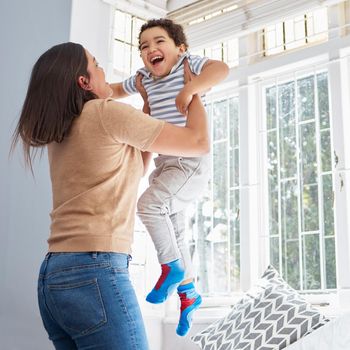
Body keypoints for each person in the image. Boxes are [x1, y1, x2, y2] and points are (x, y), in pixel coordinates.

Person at [11, 42, 209, 350]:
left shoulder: (61, 130)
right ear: (84, 82)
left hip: (53, 278)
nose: (104, 71)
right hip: (94, 270)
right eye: (96, 64)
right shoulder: (105, 113)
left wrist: (147, 103)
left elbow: (135, 166)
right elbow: (197, 142)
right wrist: (192, 89)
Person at [111, 18, 229, 336]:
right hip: (166, 163)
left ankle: (171, 267)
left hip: (190, 163)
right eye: (144, 46)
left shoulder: (187, 65)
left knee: (149, 205)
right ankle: (188, 293)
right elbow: (113, 90)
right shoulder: (144, 79)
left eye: (159, 42)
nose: (151, 49)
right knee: (174, 229)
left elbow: (222, 69)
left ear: (180, 48)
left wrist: (192, 87)